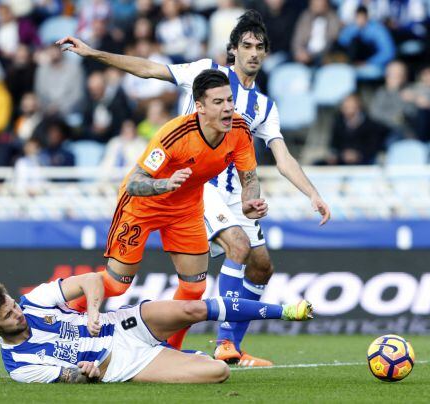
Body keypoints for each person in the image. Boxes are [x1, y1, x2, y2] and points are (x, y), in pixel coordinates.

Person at [56, 9, 331, 366]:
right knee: (238, 245)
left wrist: (312, 193)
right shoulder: (204, 74)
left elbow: (282, 157)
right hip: (196, 186)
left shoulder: (264, 106)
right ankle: (225, 343)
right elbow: (148, 68)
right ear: (232, 50)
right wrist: (94, 53)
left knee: (261, 267)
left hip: (234, 195)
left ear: (265, 53)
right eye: (246, 45)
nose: (253, 52)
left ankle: (192, 347)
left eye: (259, 47)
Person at [60, 69, 265, 352]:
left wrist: (249, 202)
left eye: (229, 100)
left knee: (194, 290)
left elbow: (250, 180)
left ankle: (169, 350)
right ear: (200, 107)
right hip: (141, 207)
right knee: (117, 285)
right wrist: (166, 184)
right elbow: (134, 183)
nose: (228, 108)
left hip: (186, 209)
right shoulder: (175, 135)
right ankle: (61, 319)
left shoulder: (240, 131)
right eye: (218, 102)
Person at [0, 272, 313, 384]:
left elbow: (91, 280)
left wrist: (92, 309)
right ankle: (182, 356)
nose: (17, 312)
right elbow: (70, 377)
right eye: (8, 315)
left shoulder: (35, 301)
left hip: (120, 324)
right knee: (218, 371)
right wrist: (85, 371)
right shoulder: (20, 367)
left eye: (13, 305)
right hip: (119, 362)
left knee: (193, 307)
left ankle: (285, 310)